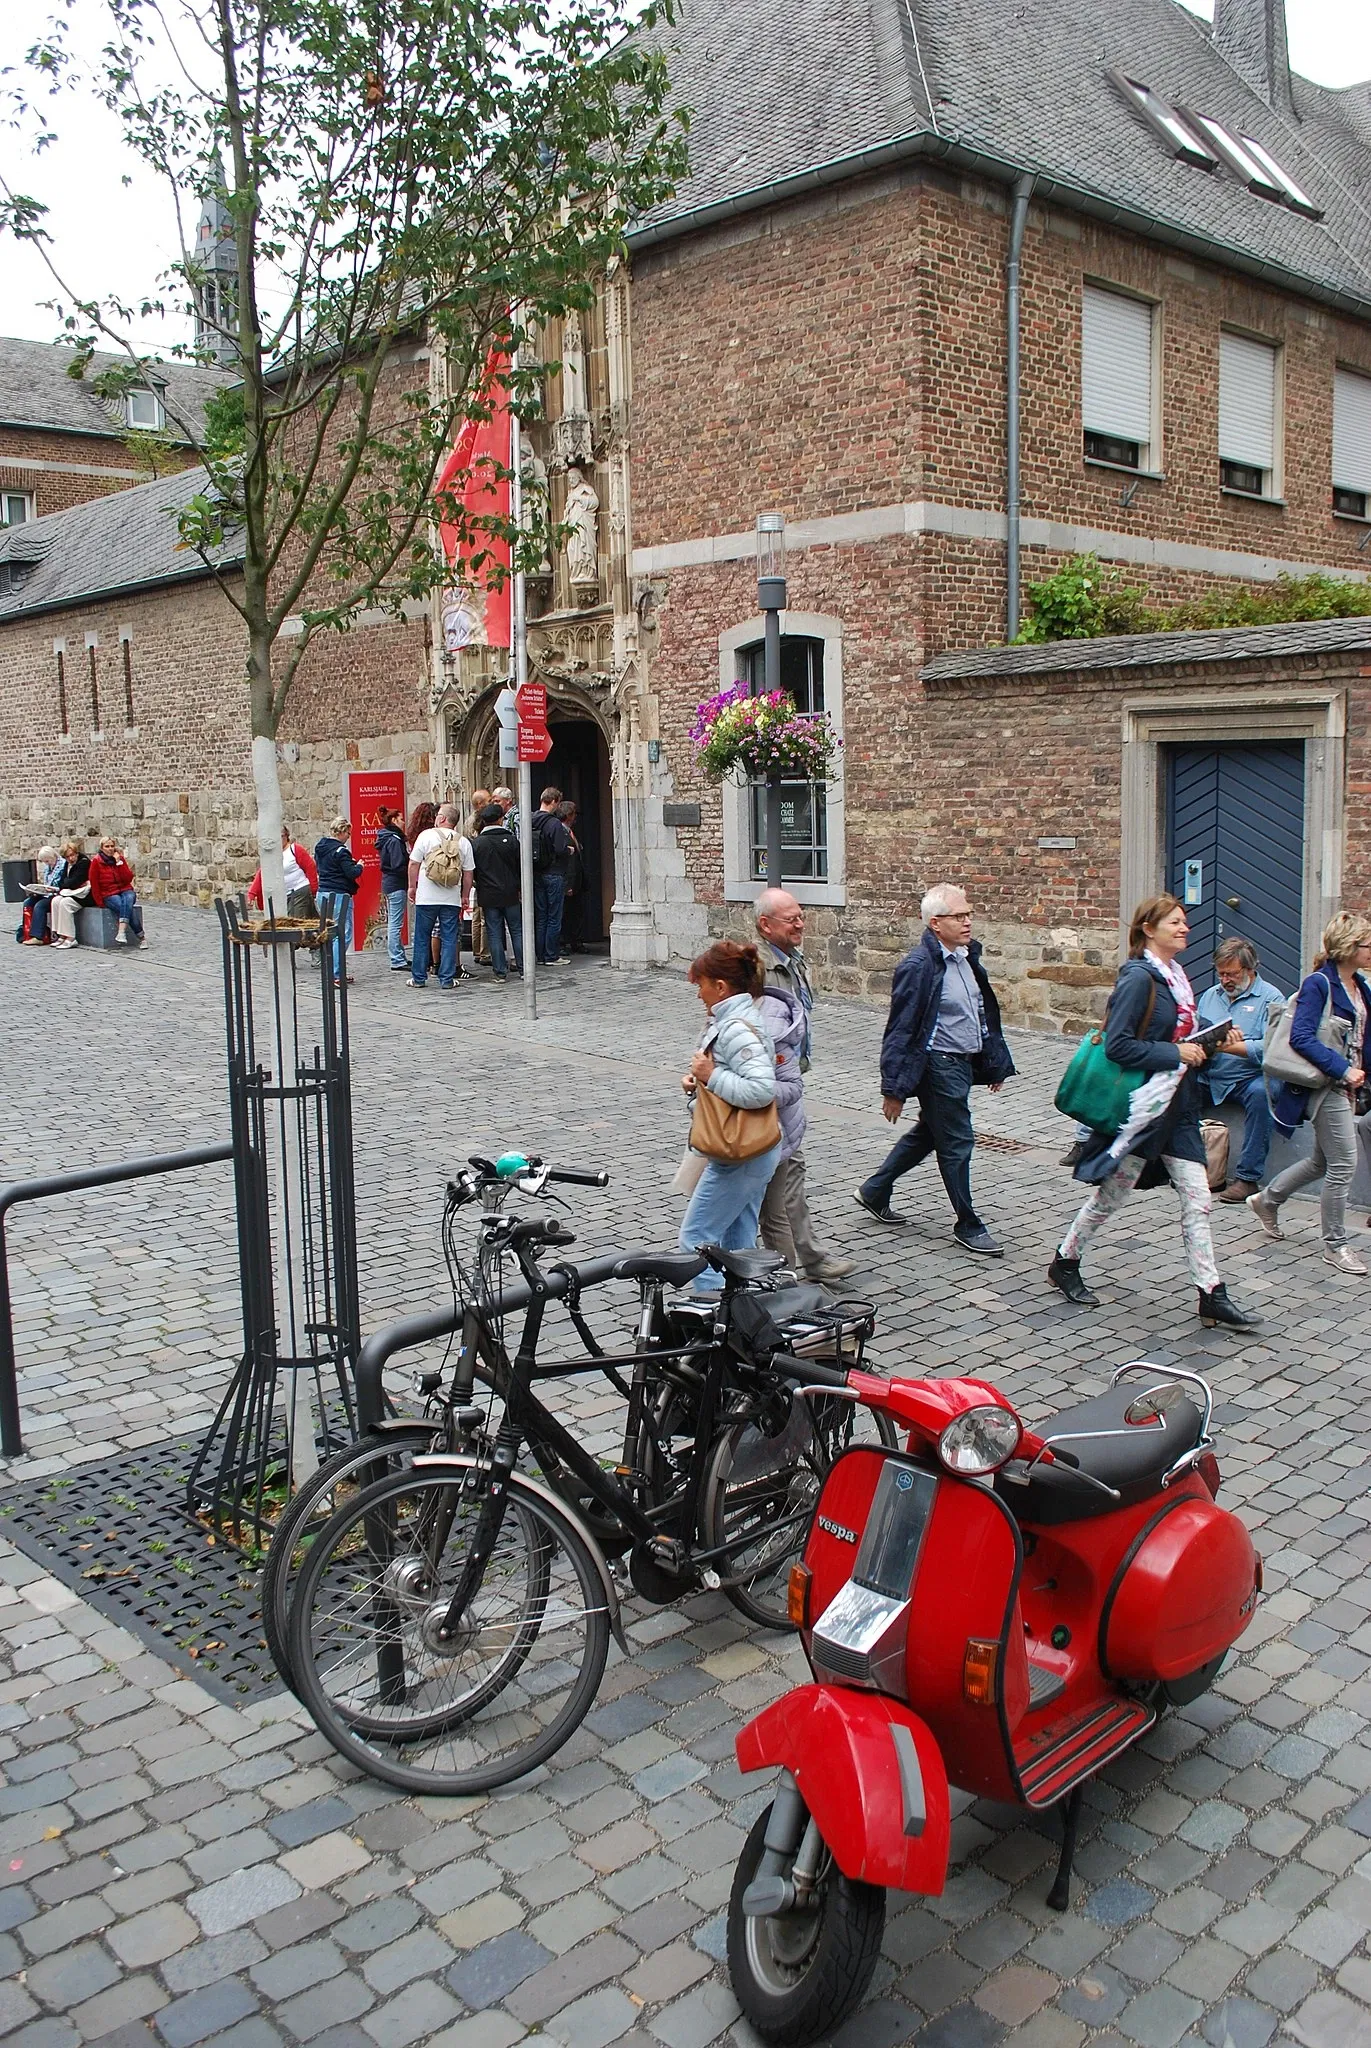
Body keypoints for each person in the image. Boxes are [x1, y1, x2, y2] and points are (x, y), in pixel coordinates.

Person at [1047, 893, 1260, 1330]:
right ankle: (1065, 1261)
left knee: (1199, 1200)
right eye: (1175, 922)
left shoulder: (1177, 977)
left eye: (1185, 922)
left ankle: (1211, 1293)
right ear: (1149, 929)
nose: (1185, 928)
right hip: (1141, 1113)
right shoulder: (1139, 979)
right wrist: (1176, 1051)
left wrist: (1209, 1040)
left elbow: (1175, 1037)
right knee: (1111, 1197)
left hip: (1178, 1107)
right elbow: (1120, 1045)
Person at [855, 883, 1014, 1256]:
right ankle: (968, 1223)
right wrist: (892, 1089)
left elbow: (982, 1013)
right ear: (935, 923)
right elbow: (901, 1028)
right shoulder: (918, 966)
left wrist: (994, 1064)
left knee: (931, 1131)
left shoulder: (966, 958)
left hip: (962, 1062)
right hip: (938, 1064)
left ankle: (875, 1190)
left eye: (969, 914)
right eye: (959, 916)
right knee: (957, 1141)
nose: (968, 921)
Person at [1248, 911, 1371, 1276]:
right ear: (1348, 947)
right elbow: (1300, 1037)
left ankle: (1266, 1199)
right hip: (1323, 1085)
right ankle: (1335, 1245)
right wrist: (1342, 1069)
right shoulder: (1319, 984)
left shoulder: (1359, 985)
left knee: (1322, 1161)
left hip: (1347, 1086)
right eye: (1366, 944)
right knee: (1344, 1163)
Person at [755, 889, 853, 1284]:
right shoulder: (757, 968)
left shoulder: (792, 961)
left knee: (790, 1169)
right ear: (765, 925)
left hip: (788, 1080)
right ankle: (781, 1270)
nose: (800, 925)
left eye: (801, 917)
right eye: (790, 919)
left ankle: (806, 1257)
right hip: (768, 1087)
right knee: (771, 1183)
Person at [678, 941, 782, 1294]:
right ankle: (744, 1319)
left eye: (701, 985)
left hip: (740, 1153)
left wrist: (710, 1077)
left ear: (720, 987)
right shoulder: (736, 1020)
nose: (698, 995)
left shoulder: (734, 1027)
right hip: (752, 1150)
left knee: (695, 1239)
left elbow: (761, 1089)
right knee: (738, 1244)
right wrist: (700, 1086)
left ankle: (709, 1318)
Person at [1195, 936, 1284, 1203]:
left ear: (1249, 969)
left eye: (1231, 974)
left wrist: (1228, 1046)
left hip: (1248, 1077)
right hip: (1211, 1073)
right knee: (1176, 1086)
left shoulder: (1271, 998)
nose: (1225, 980)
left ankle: (1247, 1178)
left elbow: (1270, 1049)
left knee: (1262, 1094)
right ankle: (1179, 1164)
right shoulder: (1211, 996)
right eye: (1221, 974)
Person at [407, 802, 473, 990]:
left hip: (426, 897)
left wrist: (412, 887)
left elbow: (413, 864)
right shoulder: (463, 841)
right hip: (451, 898)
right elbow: (468, 873)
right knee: (450, 938)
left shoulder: (426, 836)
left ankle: (419, 978)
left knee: (422, 936)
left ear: (442, 818)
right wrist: (465, 895)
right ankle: (447, 979)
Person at [471, 802, 523, 980]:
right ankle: (524, 968)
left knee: (494, 932)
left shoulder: (477, 843)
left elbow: (474, 870)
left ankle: (500, 971)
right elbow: (519, 866)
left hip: (488, 893)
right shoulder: (511, 840)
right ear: (501, 819)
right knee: (516, 930)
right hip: (510, 892)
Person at [314, 817, 363, 984]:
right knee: (341, 933)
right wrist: (360, 866)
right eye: (348, 833)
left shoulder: (320, 847)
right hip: (338, 894)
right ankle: (336, 974)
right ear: (341, 832)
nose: (348, 836)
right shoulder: (341, 851)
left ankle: (332, 970)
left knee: (329, 933)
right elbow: (352, 873)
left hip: (323, 893)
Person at [531, 786, 572, 966]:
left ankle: (539, 955)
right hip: (554, 873)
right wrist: (569, 850)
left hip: (536, 872)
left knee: (541, 916)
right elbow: (559, 849)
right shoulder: (553, 823)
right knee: (554, 916)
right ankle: (551, 955)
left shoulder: (530, 819)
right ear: (554, 802)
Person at [89, 835, 148, 947]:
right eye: (107, 846)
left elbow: (128, 878)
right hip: (109, 893)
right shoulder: (96, 862)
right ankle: (141, 937)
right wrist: (100, 902)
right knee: (125, 907)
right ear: (102, 848)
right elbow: (94, 883)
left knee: (129, 899)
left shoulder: (119, 859)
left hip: (125, 889)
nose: (110, 848)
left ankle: (121, 932)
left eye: (112, 846)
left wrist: (118, 863)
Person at [247, 827, 319, 918]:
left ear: (286, 836)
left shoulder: (295, 849)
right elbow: (262, 874)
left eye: (280, 837)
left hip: (300, 890)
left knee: (295, 922)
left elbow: (310, 867)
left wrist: (313, 889)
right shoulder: (272, 855)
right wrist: (252, 894)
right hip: (285, 895)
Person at [374, 808, 410, 971]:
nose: (403, 821)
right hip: (396, 883)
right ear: (394, 820)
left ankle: (399, 955)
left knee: (394, 921)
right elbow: (397, 864)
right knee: (395, 923)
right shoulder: (394, 840)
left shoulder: (389, 837)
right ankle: (397, 959)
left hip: (391, 883)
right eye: (401, 818)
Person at [46, 840, 91, 948]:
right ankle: (61, 935)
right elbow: (63, 881)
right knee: (56, 901)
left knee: (65, 904)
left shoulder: (83, 862)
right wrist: (65, 885)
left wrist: (66, 884)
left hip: (84, 895)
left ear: (76, 853)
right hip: (72, 892)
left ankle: (70, 937)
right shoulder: (68, 864)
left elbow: (74, 881)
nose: (71, 858)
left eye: (73, 855)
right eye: (67, 856)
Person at [558, 800, 585, 957]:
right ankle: (562, 942)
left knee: (576, 912)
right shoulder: (561, 832)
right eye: (574, 814)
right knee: (565, 913)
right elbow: (565, 861)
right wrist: (567, 884)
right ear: (569, 815)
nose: (575, 818)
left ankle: (576, 940)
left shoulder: (571, 832)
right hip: (568, 880)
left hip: (578, 880)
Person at [21, 846, 61, 944]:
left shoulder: (62, 865)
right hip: (48, 893)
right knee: (28, 902)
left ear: (53, 856)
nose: (46, 863)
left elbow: (62, 883)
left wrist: (51, 888)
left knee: (40, 906)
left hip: (57, 894)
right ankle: (26, 931)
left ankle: (38, 936)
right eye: (45, 862)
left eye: (47, 861)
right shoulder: (49, 867)